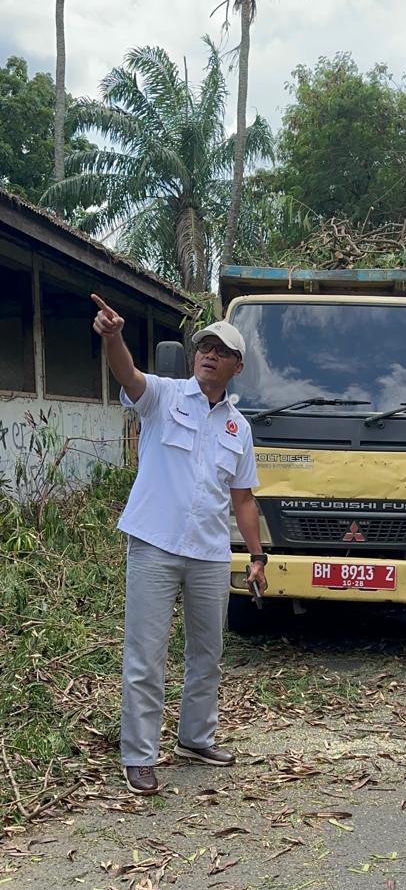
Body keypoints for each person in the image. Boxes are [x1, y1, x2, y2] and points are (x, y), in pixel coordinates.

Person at [91, 295, 268, 795]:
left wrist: (256, 557)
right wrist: (112, 336)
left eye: (220, 350)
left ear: (236, 366)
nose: (209, 354)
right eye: (203, 347)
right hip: (155, 544)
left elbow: (244, 498)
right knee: (146, 653)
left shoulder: (239, 427)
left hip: (211, 553)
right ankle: (141, 755)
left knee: (207, 652)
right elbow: (129, 377)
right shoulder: (164, 397)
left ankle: (196, 738)